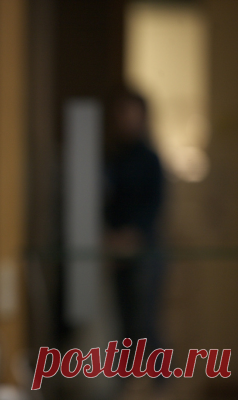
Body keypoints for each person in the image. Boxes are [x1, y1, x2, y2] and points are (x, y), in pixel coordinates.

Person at [104, 89, 165, 361]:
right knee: (124, 324)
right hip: (116, 250)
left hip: (145, 248)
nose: (125, 119)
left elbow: (155, 205)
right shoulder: (113, 158)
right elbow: (107, 203)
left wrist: (133, 235)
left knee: (145, 322)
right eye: (121, 113)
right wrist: (111, 237)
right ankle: (128, 377)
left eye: (130, 113)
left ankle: (160, 378)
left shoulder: (150, 159)